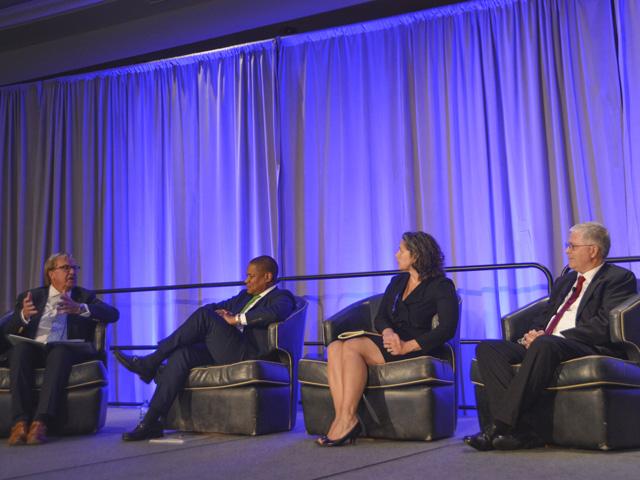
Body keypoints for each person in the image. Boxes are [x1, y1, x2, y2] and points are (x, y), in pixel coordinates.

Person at [465, 222, 638, 451]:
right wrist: (534, 333)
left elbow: (605, 324)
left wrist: (557, 336)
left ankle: (499, 425)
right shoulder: (566, 280)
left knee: (546, 344)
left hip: (584, 345)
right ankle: (524, 431)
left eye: (572, 246)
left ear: (593, 250)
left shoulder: (618, 278)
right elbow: (546, 315)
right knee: (488, 348)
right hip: (547, 343)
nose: (567, 251)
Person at [115, 255, 295, 441]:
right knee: (182, 354)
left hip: (248, 353)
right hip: (225, 350)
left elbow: (276, 312)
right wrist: (219, 312)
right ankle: (151, 422)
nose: (246, 280)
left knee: (204, 317)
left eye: (251, 276)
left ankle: (151, 361)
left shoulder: (281, 297)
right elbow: (215, 307)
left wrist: (235, 319)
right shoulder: (244, 296)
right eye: (246, 276)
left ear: (267, 277)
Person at [318, 231, 459, 447]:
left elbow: (448, 328)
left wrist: (406, 347)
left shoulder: (441, 285)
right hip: (390, 341)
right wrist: (388, 332)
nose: (396, 254)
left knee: (352, 347)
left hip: (416, 347)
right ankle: (342, 418)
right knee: (336, 346)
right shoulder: (397, 281)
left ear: (416, 255)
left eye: (401, 250)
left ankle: (348, 419)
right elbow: (381, 316)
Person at [3, 252, 119, 445]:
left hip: (66, 350)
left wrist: (80, 308)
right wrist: (23, 315)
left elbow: (113, 314)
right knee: (20, 350)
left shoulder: (84, 296)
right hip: (35, 348)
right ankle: (19, 423)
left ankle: (40, 422)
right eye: (66, 267)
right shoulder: (32, 296)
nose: (72, 271)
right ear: (51, 273)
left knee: (59, 350)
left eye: (74, 268)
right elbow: (6, 330)